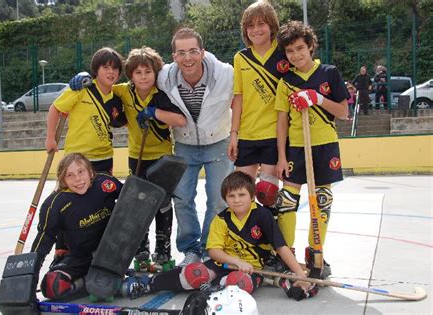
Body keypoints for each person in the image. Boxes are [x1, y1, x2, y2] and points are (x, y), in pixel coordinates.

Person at [68, 47, 187, 266]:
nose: (143, 77)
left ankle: (163, 248)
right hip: (137, 157)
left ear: (155, 73)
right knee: (137, 204)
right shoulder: (123, 91)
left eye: (148, 72)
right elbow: (103, 86)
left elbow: (180, 120)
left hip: (161, 158)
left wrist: (154, 113)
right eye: (138, 72)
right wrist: (85, 77)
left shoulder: (161, 94)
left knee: (162, 202)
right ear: (130, 75)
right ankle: (140, 247)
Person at [120, 171, 317, 301]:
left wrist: (301, 276)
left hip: (252, 269)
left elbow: (281, 247)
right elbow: (214, 251)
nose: (237, 200)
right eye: (231, 196)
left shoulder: (262, 215)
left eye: (241, 195)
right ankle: (148, 284)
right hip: (222, 264)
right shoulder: (222, 219)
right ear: (225, 198)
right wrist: (235, 260)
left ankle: (213, 287)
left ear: (251, 195)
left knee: (240, 284)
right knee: (194, 273)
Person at [275, 21, 349, 279]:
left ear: (310, 47)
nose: (296, 55)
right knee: (287, 202)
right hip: (296, 147)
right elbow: (281, 122)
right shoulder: (286, 81)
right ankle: (286, 255)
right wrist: (282, 157)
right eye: (290, 51)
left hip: (325, 145)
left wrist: (316, 98)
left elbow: (343, 111)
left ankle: (315, 252)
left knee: (323, 200)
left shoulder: (329, 73)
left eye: (300, 48)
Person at [157, 27, 234, 266]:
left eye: (193, 51)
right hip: (185, 144)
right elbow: (135, 80)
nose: (187, 58)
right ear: (174, 57)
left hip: (219, 141)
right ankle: (191, 250)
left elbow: (247, 93)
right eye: (181, 52)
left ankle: (211, 248)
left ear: (202, 52)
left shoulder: (226, 74)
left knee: (218, 199)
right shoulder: (164, 77)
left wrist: (237, 135)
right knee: (182, 198)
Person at [30, 153, 123, 299]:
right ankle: (91, 282)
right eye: (70, 175)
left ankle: (101, 281)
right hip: (81, 257)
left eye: (81, 172)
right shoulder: (55, 204)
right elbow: (44, 239)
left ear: (90, 171)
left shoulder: (104, 183)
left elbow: (132, 197)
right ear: (62, 180)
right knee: (51, 285)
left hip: (112, 253)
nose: (78, 179)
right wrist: (29, 277)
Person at [228, 0, 288, 211]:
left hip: (273, 135)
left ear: (271, 25)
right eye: (250, 26)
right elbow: (239, 98)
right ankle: (247, 240)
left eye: (261, 24)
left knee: (268, 193)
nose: (256, 30)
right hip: (247, 135)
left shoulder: (283, 54)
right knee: (242, 195)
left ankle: (269, 239)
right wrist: (234, 134)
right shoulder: (241, 58)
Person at [45, 47, 127, 174]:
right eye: (105, 67)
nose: (111, 72)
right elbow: (55, 109)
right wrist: (50, 138)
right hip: (77, 157)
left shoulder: (116, 98)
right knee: (70, 192)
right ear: (96, 70)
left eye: (115, 68)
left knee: (102, 193)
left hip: (104, 157)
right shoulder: (80, 88)